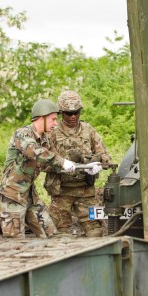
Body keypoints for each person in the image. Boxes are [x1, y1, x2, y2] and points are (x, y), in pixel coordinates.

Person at [0, 99, 77, 238]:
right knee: (14, 243)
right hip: (12, 196)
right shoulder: (22, 134)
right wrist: (62, 162)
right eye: (52, 119)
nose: (55, 123)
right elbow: (32, 151)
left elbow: (53, 161)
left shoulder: (45, 139)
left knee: (51, 235)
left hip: (30, 196)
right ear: (42, 118)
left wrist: (82, 167)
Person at [45, 90, 111, 237]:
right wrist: (61, 165)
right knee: (57, 235)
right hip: (61, 193)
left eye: (76, 112)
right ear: (61, 112)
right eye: (69, 113)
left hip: (86, 192)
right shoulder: (52, 133)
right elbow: (42, 161)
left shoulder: (89, 130)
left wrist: (96, 164)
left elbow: (106, 157)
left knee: (95, 232)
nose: (73, 116)